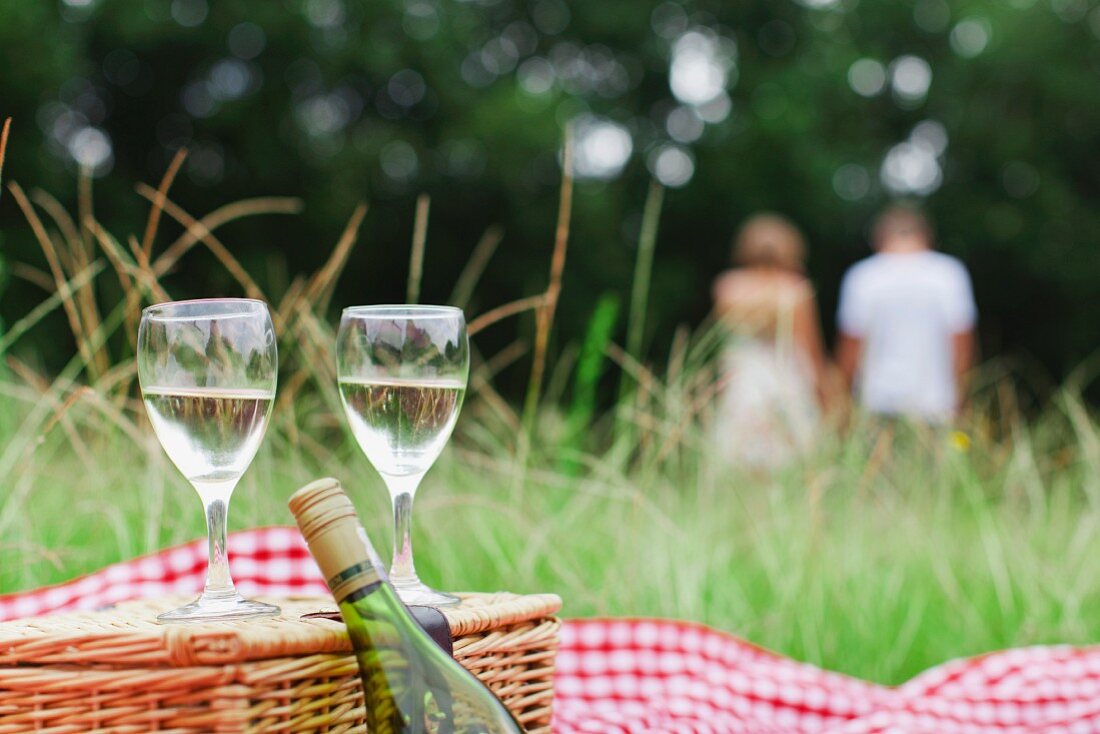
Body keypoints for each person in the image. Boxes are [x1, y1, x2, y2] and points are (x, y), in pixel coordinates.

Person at [836, 204, 977, 423]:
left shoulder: (863, 276)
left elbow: (850, 350)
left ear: (878, 238)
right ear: (927, 236)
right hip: (937, 404)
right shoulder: (948, 274)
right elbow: (962, 346)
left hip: (876, 402)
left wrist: (842, 403)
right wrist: (963, 399)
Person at [712, 214, 830, 468]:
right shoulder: (795, 289)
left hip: (743, 374)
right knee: (789, 452)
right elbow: (809, 346)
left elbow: (722, 340)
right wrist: (823, 391)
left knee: (742, 452)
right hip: (784, 374)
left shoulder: (728, 287)